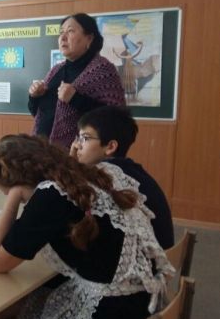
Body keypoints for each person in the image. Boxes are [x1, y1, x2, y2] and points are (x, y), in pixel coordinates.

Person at [0, 134, 172, 319]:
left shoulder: (49, 195)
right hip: (137, 305)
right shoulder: (78, 174)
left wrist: (13, 198)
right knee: (20, 308)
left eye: (5, 191)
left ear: (16, 182)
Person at [70, 106, 174, 249]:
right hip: (164, 256)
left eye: (85, 138)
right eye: (78, 138)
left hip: (146, 260)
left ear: (110, 147)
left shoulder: (106, 176)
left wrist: (70, 166)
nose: (77, 145)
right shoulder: (130, 169)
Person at [28, 13, 125, 148]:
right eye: (61, 32)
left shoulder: (103, 70)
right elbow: (39, 113)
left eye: (70, 31)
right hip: (41, 150)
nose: (63, 37)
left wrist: (75, 99)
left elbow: (116, 117)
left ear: (89, 38)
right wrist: (34, 97)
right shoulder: (55, 70)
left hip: (78, 154)